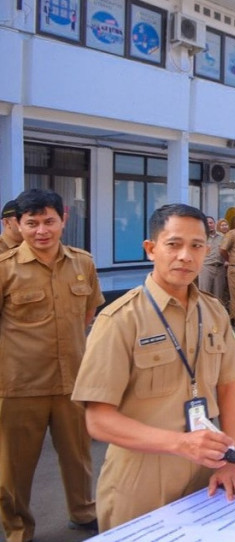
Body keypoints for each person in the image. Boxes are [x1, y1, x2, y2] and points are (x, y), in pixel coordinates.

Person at [72, 204, 235, 532]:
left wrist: (231, 458)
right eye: (173, 244)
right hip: (140, 479)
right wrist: (179, 443)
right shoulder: (120, 320)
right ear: (151, 249)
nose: (186, 255)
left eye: (197, 245)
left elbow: (229, 387)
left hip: (204, 472)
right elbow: (98, 420)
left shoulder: (214, 313)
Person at [0, 188, 103, 542]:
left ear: (64, 220)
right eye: (32, 223)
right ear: (18, 224)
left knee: (78, 457)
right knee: (14, 468)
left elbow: (89, 313)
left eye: (49, 221)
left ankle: (83, 512)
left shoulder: (83, 263)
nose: (41, 230)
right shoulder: (5, 268)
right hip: (19, 386)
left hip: (73, 381)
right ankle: (18, 530)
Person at [198, 216, 227, 309]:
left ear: (214, 224)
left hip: (220, 268)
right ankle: (204, 316)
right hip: (206, 267)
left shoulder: (222, 237)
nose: (209, 225)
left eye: (211, 223)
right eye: (207, 223)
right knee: (204, 293)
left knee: (219, 295)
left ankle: (218, 317)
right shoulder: (201, 237)